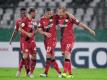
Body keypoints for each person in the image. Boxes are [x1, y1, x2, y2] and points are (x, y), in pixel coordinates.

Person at [57, 7, 95, 78]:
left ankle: (64, 73)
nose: (59, 14)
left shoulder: (71, 18)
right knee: (65, 56)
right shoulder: (58, 18)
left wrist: (90, 30)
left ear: (64, 12)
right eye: (58, 12)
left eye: (60, 12)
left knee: (67, 54)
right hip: (62, 40)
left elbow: (81, 24)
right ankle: (70, 74)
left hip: (69, 39)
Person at [38, 8, 62, 78]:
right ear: (45, 13)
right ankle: (58, 73)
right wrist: (44, 33)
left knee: (48, 55)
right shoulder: (42, 20)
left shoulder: (54, 17)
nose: (50, 15)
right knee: (51, 57)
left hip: (53, 39)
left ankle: (47, 73)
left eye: (51, 13)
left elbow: (62, 14)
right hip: (46, 41)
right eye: (48, 13)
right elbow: (39, 29)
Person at [9, 7, 30, 77]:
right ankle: (19, 71)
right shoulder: (18, 21)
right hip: (23, 40)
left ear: (26, 13)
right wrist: (11, 39)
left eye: (24, 13)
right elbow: (15, 31)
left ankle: (27, 72)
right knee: (25, 56)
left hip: (30, 41)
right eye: (21, 13)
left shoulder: (30, 20)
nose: (23, 14)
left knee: (27, 57)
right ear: (20, 13)